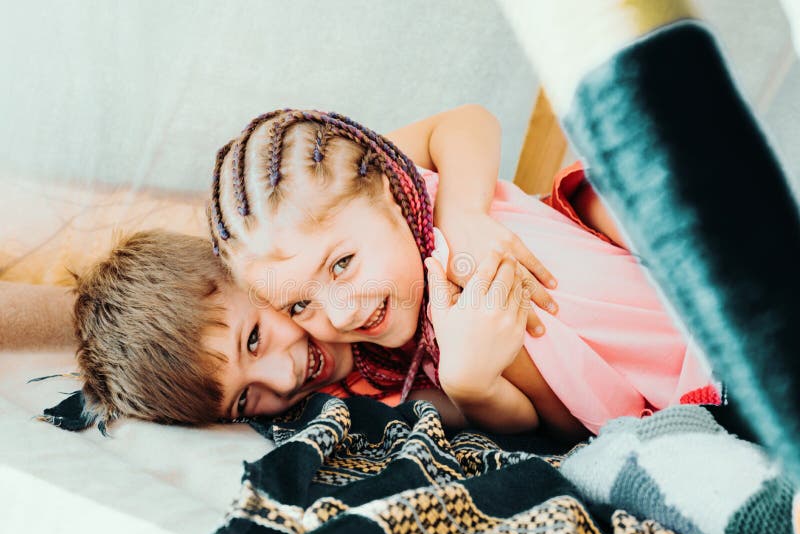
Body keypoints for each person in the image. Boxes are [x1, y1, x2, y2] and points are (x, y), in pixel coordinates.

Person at [208, 107, 721, 437]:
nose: (342, 313)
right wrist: (470, 386)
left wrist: (464, 212)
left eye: (342, 265)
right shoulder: (374, 232)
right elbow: (537, 420)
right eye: (301, 306)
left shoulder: (462, 274)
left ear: (390, 187)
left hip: (702, 359)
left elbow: (591, 422)